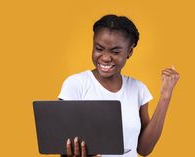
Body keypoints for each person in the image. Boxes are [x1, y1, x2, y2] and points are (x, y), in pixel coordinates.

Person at [58, 14, 180, 157]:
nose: (105, 57)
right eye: (99, 48)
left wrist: (166, 95)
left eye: (115, 52)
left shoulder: (138, 89)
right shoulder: (76, 84)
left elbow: (144, 149)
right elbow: (61, 143)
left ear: (129, 52)